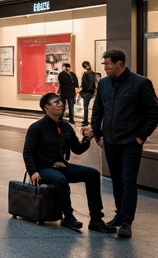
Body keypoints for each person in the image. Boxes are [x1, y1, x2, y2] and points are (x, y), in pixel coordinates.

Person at [86, 48, 158, 238]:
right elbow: (97, 111)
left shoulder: (140, 83)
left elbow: (154, 112)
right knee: (116, 181)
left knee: (128, 182)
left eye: (108, 64)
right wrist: (98, 136)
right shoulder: (103, 84)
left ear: (120, 63)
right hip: (110, 141)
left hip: (130, 142)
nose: (105, 67)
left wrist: (142, 136)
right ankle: (119, 215)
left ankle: (127, 222)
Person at [23, 92, 114, 232]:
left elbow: (77, 149)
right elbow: (28, 153)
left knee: (92, 174)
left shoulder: (65, 126)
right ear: (46, 107)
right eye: (56, 102)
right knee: (61, 180)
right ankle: (69, 217)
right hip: (43, 168)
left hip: (61, 166)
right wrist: (33, 171)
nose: (61, 104)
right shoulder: (37, 127)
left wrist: (86, 139)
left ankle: (96, 219)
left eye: (61, 101)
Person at [79, 61, 98, 126]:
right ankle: (89, 120)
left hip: (86, 92)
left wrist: (82, 92)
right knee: (90, 107)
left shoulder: (86, 74)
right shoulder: (94, 73)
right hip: (92, 92)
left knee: (85, 107)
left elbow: (84, 84)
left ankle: (85, 120)